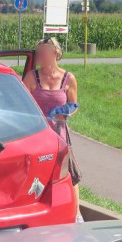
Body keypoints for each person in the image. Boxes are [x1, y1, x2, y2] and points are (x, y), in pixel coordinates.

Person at [23, 37, 84, 223]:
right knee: (36, 174)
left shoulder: (69, 78)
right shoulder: (32, 77)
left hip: (60, 135)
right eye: (38, 52)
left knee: (68, 175)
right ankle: (36, 212)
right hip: (38, 136)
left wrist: (66, 112)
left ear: (55, 53)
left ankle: (77, 214)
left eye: (43, 52)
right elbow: (22, 104)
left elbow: (74, 104)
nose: (39, 56)